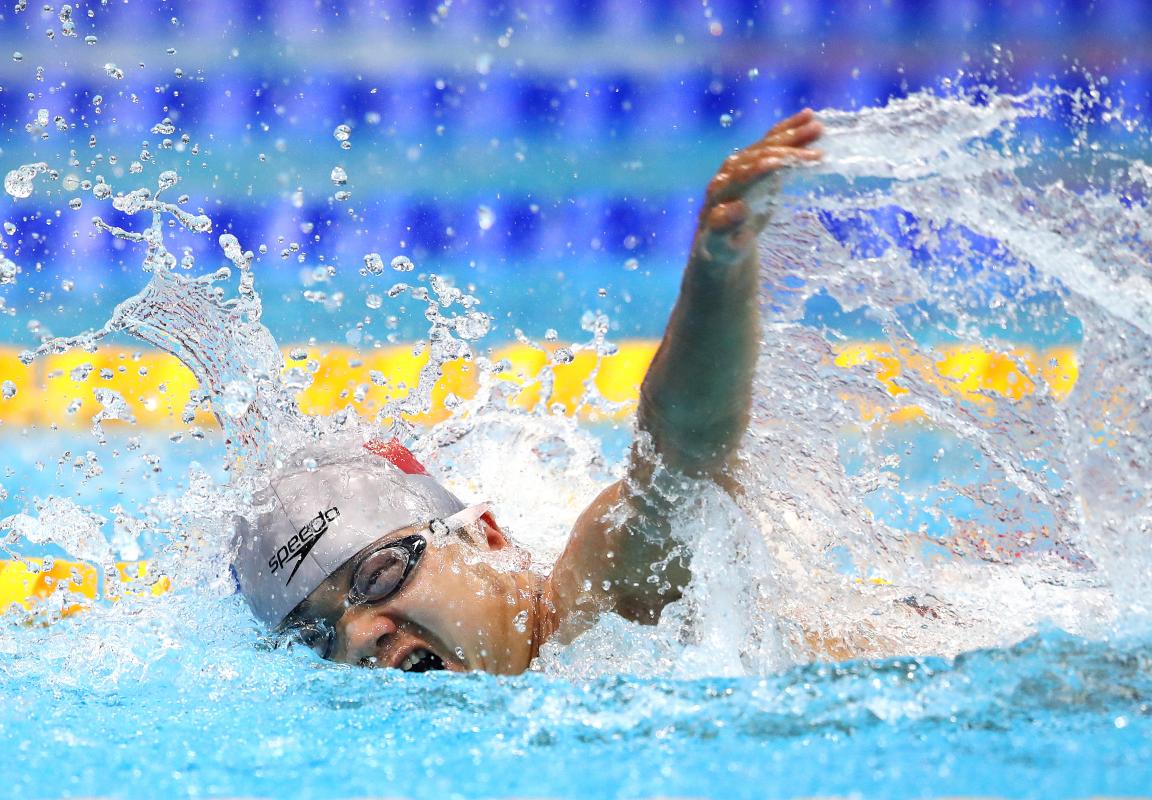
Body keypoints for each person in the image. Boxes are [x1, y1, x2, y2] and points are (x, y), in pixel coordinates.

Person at [231, 109, 825, 674]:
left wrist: (718, 268)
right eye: (317, 637)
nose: (359, 636)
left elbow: (681, 454)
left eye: (381, 575)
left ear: (486, 538)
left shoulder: (602, 603)